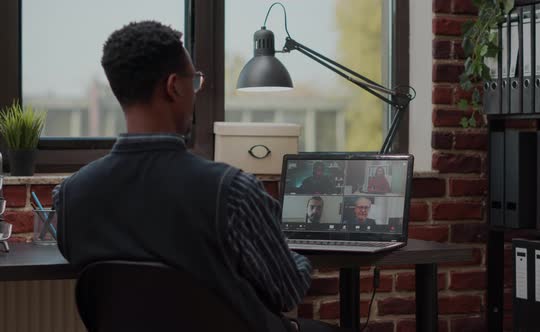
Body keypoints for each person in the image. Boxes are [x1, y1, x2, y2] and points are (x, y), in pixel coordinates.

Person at [52, 21, 345, 332]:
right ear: (174, 86)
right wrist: (293, 252)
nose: (195, 93)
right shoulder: (233, 192)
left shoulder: (71, 197)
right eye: (194, 81)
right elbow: (286, 291)